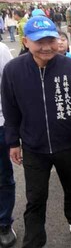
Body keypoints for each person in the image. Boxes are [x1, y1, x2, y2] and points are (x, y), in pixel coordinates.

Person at [1, 16, 71, 247]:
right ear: (25, 41)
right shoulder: (13, 70)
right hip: (33, 146)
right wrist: (13, 142)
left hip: (67, 143)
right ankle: (34, 241)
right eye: (39, 42)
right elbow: (10, 110)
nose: (46, 47)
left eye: (51, 40)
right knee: (36, 197)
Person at [0, 42, 15, 248]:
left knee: (2, 177)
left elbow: (11, 86)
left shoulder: (1, 49)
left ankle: (3, 223)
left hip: (0, 124)